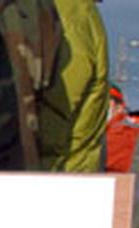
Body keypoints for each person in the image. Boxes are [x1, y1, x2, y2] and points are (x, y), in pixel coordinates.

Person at [38, 0, 108, 172]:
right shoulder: (79, 14)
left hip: (52, 178)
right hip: (70, 174)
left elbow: (56, 112)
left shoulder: (66, 17)